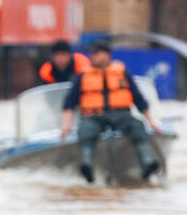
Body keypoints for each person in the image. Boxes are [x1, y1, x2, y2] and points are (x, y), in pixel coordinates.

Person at [59, 39, 162, 183]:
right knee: (86, 131)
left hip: (120, 114)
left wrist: (151, 122)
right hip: (93, 116)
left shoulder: (122, 73)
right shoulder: (82, 77)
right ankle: (87, 165)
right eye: (95, 54)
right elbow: (69, 103)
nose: (98, 57)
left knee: (137, 127)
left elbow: (138, 99)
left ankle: (147, 163)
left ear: (108, 55)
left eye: (101, 54)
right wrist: (66, 126)